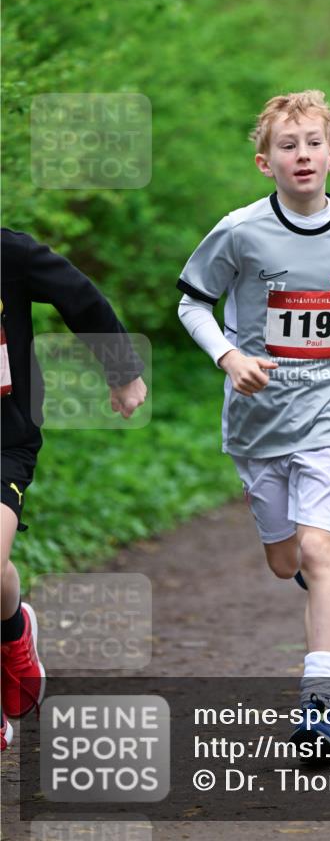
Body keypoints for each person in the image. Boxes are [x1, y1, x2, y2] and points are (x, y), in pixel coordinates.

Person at [177, 90, 330, 760]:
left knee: (317, 551)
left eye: (312, 143)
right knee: (286, 562)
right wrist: (228, 354)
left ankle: (320, 711)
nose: (301, 155)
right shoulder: (240, 231)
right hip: (259, 422)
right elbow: (193, 300)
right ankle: (310, 570)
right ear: (263, 162)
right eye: (287, 145)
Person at [1, 229, 147, 750]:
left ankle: (12, 633)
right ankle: (11, 626)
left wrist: (123, 372)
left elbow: (79, 296)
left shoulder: (8, 253)